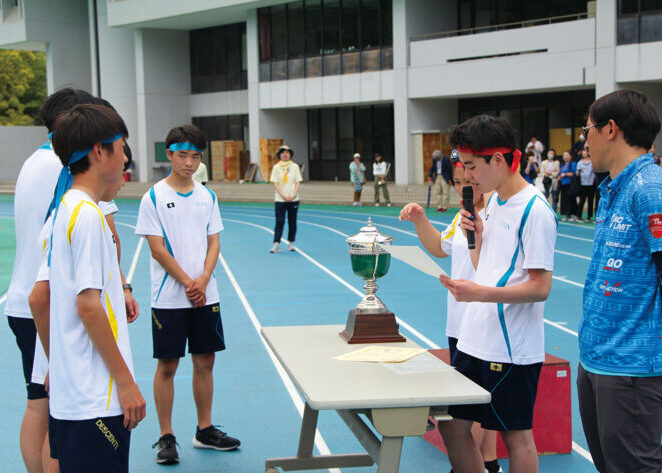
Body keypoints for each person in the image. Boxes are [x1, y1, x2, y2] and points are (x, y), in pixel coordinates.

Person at [3, 88, 135, 473]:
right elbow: (86, 302)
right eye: (121, 147)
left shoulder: (44, 176)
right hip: (82, 360)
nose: (126, 158)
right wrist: (125, 382)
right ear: (97, 149)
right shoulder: (78, 200)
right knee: (50, 417)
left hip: (47, 318)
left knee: (44, 412)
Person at [437, 114, 557, 473]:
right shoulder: (491, 202)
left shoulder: (535, 211)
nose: (468, 176)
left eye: (472, 166)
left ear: (499, 160)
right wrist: (479, 241)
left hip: (510, 348)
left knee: (516, 438)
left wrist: (477, 294)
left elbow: (541, 287)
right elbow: (483, 264)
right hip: (475, 338)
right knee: (452, 425)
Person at [135, 124, 240, 465]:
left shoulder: (207, 196)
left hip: (205, 294)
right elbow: (156, 248)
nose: (190, 163)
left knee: (205, 360)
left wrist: (204, 278)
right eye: (183, 155)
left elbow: (214, 241)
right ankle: (166, 436)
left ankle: (204, 430)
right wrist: (187, 282)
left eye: (195, 157)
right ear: (169, 154)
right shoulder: (153, 196)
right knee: (168, 364)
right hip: (169, 296)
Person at [399, 154, 502, 473]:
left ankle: (468, 467)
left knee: (471, 404)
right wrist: (420, 220)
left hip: (485, 319)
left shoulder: (498, 215)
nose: (463, 188)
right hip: (459, 321)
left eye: (470, 182)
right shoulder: (462, 216)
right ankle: (487, 464)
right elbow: (440, 247)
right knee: (472, 399)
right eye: (458, 182)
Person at [578, 89, 662, 473]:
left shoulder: (650, 189)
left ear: (610, 129)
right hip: (597, 358)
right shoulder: (614, 188)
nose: (586, 139)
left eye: (588, 129)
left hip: (632, 368)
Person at [269, 144, 303, 253]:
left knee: (292, 222)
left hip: (293, 199)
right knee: (279, 222)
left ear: (290, 154)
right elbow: (276, 183)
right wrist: (283, 195)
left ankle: (291, 243)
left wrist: (293, 194)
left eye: (287, 152)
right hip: (280, 199)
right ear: (279, 155)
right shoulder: (276, 167)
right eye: (283, 152)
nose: (285, 154)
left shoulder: (295, 167)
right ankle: (276, 244)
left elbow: (297, 181)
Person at [575, 149, 596, 222]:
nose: (584, 154)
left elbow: (595, 171)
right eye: (583, 153)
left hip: (591, 184)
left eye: (585, 152)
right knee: (582, 200)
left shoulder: (592, 162)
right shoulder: (579, 163)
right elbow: (577, 173)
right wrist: (579, 171)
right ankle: (579, 215)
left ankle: (589, 217)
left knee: (590, 200)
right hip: (582, 184)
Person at [558, 151, 577, 221]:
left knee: (572, 199)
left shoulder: (573, 164)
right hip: (563, 184)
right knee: (565, 200)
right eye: (564, 155)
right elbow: (560, 173)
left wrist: (565, 175)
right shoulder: (562, 165)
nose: (565, 157)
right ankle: (567, 215)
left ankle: (575, 215)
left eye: (566, 155)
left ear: (570, 156)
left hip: (570, 184)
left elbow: (574, 173)